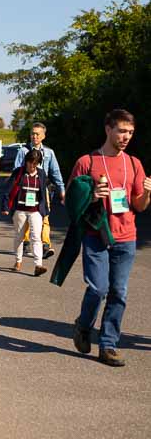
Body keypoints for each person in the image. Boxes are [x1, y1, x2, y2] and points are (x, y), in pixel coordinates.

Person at [69, 109, 150, 367]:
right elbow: (69, 201)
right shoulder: (87, 162)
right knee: (98, 288)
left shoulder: (134, 164)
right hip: (96, 234)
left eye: (130, 132)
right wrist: (92, 196)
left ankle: (108, 345)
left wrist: (148, 194)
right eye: (121, 131)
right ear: (108, 129)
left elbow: (138, 205)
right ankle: (83, 325)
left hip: (126, 236)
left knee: (119, 292)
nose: (126, 137)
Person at [14, 123, 65, 258]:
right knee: (26, 217)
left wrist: (62, 189)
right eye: (32, 133)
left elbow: (55, 172)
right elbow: (16, 171)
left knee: (45, 217)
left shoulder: (49, 153)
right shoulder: (23, 151)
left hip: (43, 190)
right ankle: (25, 242)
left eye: (37, 134)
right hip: (26, 190)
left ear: (43, 136)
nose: (34, 136)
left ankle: (46, 244)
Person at [1, 149, 48, 275]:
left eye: (35, 163)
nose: (32, 166)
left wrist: (45, 210)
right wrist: (5, 207)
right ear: (26, 161)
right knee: (19, 236)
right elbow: (8, 190)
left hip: (35, 210)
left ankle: (38, 264)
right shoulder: (19, 172)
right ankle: (18, 261)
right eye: (30, 163)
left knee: (36, 237)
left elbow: (43, 192)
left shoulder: (42, 174)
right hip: (20, 210)